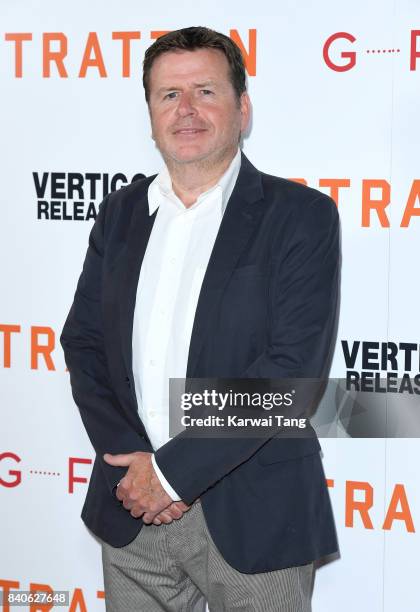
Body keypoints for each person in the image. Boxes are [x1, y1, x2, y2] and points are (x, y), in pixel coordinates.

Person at [60, 26, 340, 612]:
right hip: (131, 510)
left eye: (205, 92)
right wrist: (135, 467)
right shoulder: (119, 214)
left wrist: (171, 475)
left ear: (242, 108)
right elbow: (83, 344)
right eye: (168, 95)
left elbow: (289, 375)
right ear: (150, 113)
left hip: (255, 515)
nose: (185, 110)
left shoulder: (301, 217)